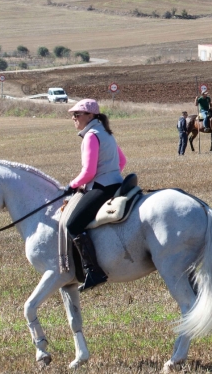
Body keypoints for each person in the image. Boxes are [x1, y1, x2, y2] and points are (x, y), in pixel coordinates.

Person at [65, 99, 126, 291]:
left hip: (101, 186)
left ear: (90, 116)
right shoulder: (105, 132)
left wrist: (72, 185)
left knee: (73, 224)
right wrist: (110, 174)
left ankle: (94, 270)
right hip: (115, 183)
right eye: (73, 114)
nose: (74, 117)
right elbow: (122, 161)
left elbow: (89, 172)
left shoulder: (91, 136)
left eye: (77, 114)